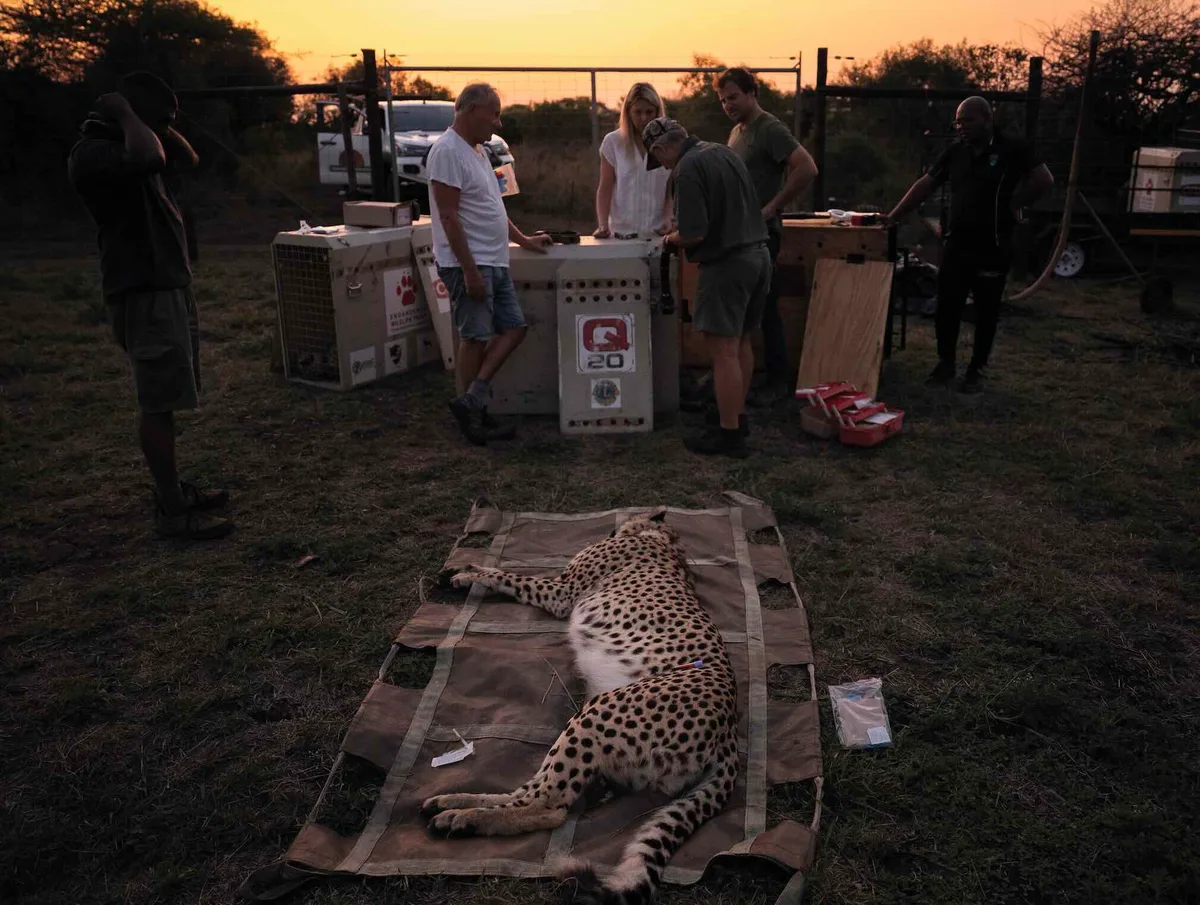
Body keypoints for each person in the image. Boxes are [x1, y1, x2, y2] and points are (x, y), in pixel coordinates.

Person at [67, 71, 232, 541]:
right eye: (159, 118)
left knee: (169, 396)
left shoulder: (135, 144)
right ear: (127, 116)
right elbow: (150, 154)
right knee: (157, 401)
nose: (165, 128)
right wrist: (125, 114)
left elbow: (185, 155)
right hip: (142, 290)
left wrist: (156, 118)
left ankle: (173, 489)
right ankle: (172, 509)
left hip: (167, 286)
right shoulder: (95, 154)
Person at [884, 96, 1054, 394]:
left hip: (993, 244)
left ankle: (976, 368)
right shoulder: (955, 153)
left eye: (967, 120)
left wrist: (1017, 202)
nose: (961, 127)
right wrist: (894, 215)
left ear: (987, 119)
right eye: (958, 122)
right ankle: (945, 363)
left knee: (986, 310)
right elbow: (925, 184)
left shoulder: (1012, 149)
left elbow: (1044, 179)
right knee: (947, 306)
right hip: (957, 243)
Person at [427, 82, 553, 445]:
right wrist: (468, 271)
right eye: (493, 113)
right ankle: (473, 418)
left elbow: (494, 209)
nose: (498, 123)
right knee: (476, 337)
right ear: (470, 111)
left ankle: (471, 401)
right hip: (471, 263)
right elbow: (448, 216)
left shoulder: (479, 152)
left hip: (492, 260)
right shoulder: (447, 152)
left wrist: (523, 240)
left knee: (514, 328)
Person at [645, 116, 771, 459]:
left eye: (659, 160)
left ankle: (728, 435)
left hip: (727, 265)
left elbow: (694, 233)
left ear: (660, 148)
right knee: (742, 342)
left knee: (723, 351)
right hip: (758, 256)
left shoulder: (685, 168)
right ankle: (736, 417)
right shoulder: (723, 151)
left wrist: (670, 239)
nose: (663, 166)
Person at [718, 67, 818, 405]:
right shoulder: (737, 131)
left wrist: (773, 206)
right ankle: (749, 375)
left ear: (751, 93)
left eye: (733, 97)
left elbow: (806, 167)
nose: (728, 104)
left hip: (763, 235)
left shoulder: (769, 128)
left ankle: (779, 380)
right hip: (739, 234)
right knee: (750, 309)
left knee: (768, 307)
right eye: (722, 100)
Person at [594, 82, 672, 239]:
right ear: (628, 112)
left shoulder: (670, 143)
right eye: (638, 112)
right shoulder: (613, 142)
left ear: (658, 112)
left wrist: (668, 218)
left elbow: (671, 188)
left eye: (649, 112)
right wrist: (602, 224)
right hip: (621, 234)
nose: (644, 118)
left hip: (658, 233)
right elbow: (605, 187)